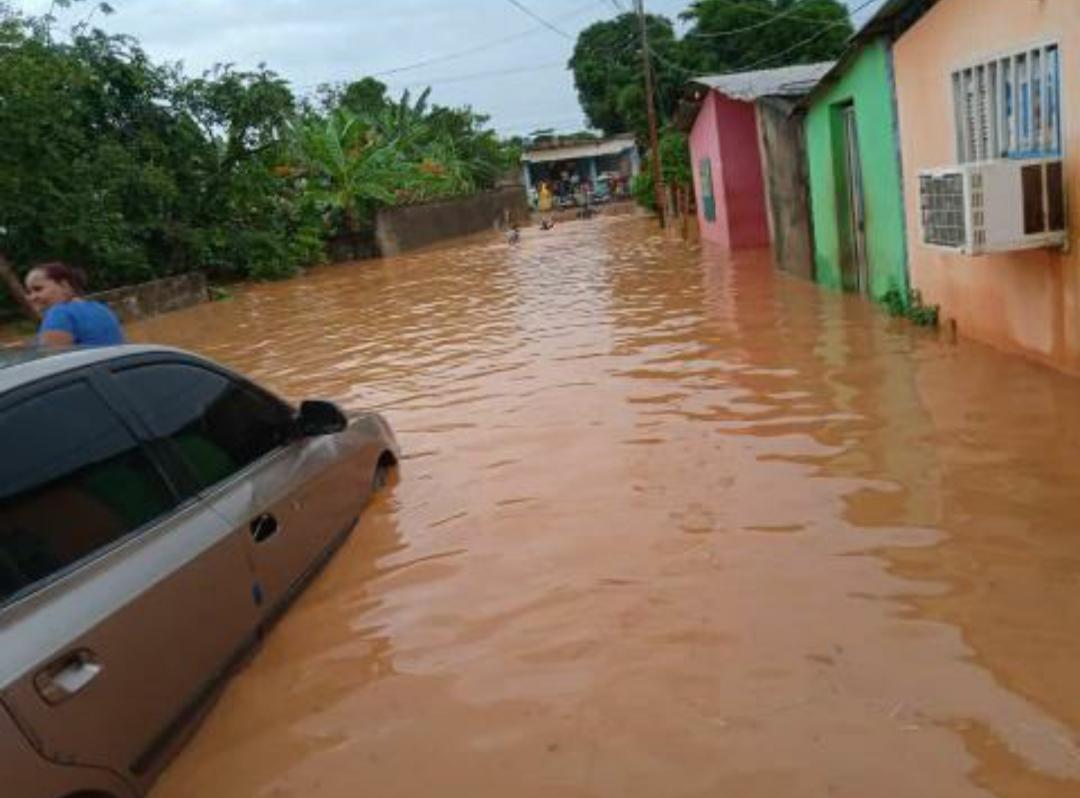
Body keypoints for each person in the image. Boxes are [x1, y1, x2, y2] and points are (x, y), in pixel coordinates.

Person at [24, 262, 124, 346]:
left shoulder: (59, 313)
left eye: (38, 289)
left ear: (64, 286)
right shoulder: (100, 308)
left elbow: (52, 360)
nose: (32, 297)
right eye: (29, 292)